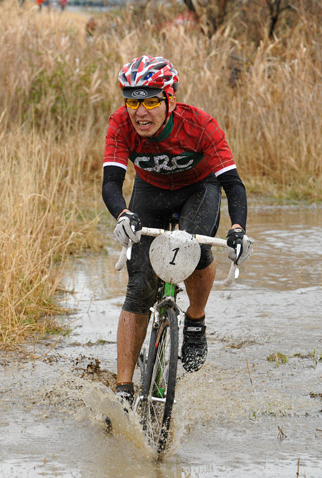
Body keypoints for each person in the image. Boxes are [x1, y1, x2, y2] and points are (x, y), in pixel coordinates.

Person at [102, 55, 252, 405]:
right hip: (150, 191)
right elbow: (111, 182)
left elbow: (233, 183)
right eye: (133, 101)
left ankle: (195, 320)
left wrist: (239, 229)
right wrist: (124, 215)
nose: (140, 112)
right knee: (139, 287)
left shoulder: (200, 124)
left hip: (198, 189)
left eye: (151, 101)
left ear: (170, 99)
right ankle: (124, 390)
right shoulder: (120, 124)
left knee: (194, 249)